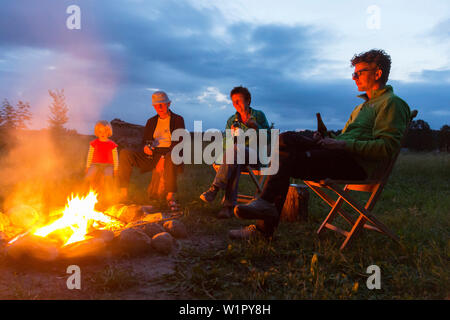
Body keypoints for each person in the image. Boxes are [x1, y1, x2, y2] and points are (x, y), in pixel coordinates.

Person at [230, 49, 411, 240]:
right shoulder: (361, 107)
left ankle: (263, 224)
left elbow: (385, 148)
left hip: (357, 164)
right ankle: (264, 210)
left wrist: (341, 145)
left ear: (378, 73)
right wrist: (327, 138)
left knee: (286, 158)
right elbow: (346, 137)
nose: (354, 78)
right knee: (286, 140)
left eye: (359, 73)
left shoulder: (392, 103)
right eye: (353, 74)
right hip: (340, 155)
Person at [200, 86, 270, 218]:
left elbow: (268, 139)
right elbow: (226, 144)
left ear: (248, 101)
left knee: (235, 152)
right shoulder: (232, 120)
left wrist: (256, 127)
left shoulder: (258, 116)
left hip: (255, 156)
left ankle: (214, 188)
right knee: (234, 159)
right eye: (233, 101)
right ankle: (228, 207)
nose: (235, 104)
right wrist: (232, 136)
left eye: (238, 100)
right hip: (236, 157)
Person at [118, 91, 185, 209]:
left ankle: (170, 197)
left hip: (171, 153)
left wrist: (163, 158)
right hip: (152, 154)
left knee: (170, 156)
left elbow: (179, 142)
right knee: (125, 153)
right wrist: (146, 148)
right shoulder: (151, 121)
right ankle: (123, 194)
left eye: (162, 104)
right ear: (153, 106)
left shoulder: (178, 119)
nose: (159, 107)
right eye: (156, 105)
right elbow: (145, 141)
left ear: (169, 104)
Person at [85, 120, 119, 203]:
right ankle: (87, 192)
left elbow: (115, 157)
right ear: (97, 132)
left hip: (108, 165)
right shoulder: (94, 143)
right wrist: (88, 166)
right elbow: (90, 155)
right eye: (100, 132)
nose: (102, 133)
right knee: (89, 176)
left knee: (108, 177)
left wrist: (115, 168)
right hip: (95, 164)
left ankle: (109, 196)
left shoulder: (112, 144)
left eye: (105, 131)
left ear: (109, 132)